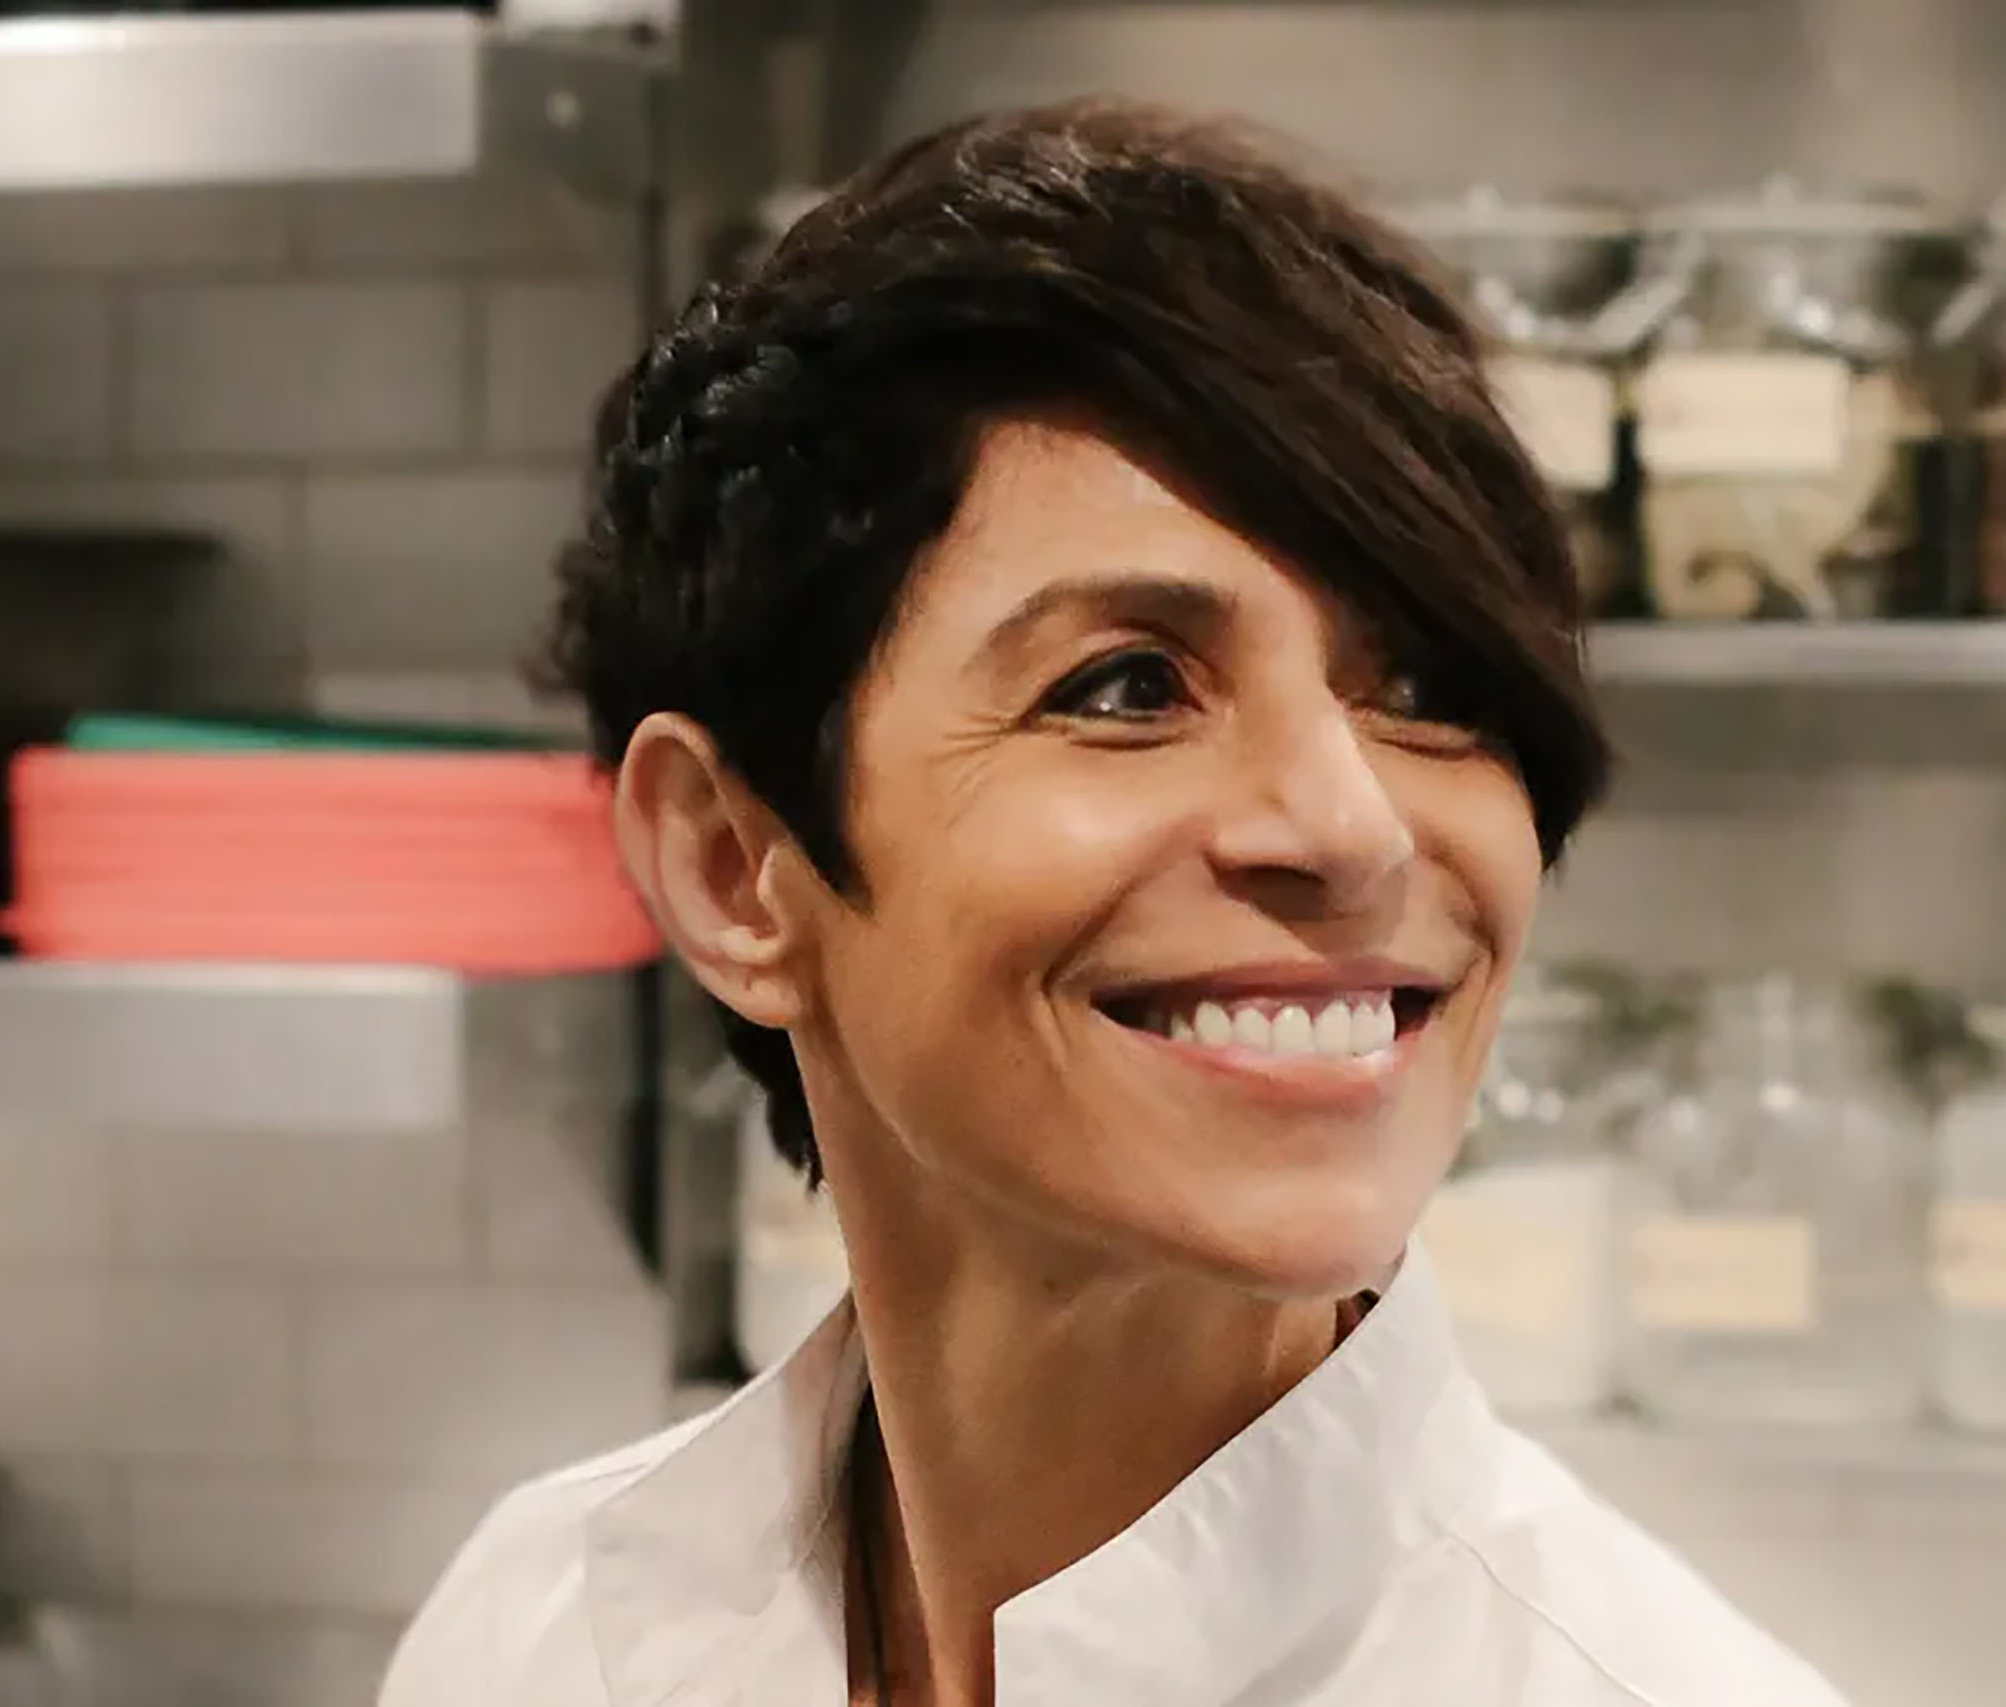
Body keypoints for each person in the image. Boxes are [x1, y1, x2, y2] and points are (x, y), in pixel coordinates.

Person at [378, 99, 1851, 1707]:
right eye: (1131, 686)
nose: (1352, 831)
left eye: (1428, 691)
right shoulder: (537, 1638)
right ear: (736, 868)